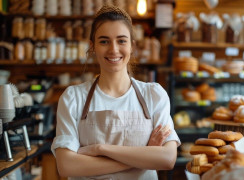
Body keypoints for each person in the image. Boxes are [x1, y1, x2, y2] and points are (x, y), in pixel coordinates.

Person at [51, 5, 181, 180]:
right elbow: (66, 166)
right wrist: (144, 156)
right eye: (104, 41)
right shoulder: (74, 98)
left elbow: (167, 159)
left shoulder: (154, 95)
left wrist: (100, 149)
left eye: (121, 41)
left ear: (132, 46)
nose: (114, 49)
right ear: (93, 46)